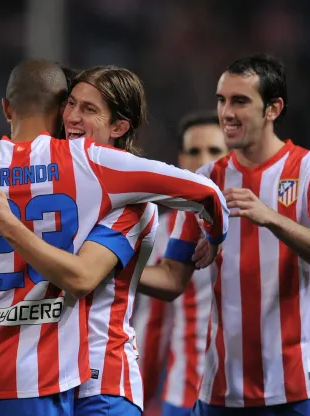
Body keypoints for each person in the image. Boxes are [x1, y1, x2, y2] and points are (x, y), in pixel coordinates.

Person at [0, 59, 229, 416]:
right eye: (70, 105)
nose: (73, 117)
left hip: (97, 377)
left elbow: (81, 277)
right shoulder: (68, 172)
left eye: (88, 109)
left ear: (118, 126)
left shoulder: (127, 201)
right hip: (41, 374)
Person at [160, 54, 310, 415]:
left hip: (302, 388)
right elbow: (171, 279)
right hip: (223, 392)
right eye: (222, 100)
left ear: (273, 109)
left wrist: (271, 218)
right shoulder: (206, 179)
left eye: (240, 101)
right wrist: (114, 264)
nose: (226, 113)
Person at [131, 110, 227, 416]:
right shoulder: (162, 233)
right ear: (180, 160)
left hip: (252, 393)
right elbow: (153, 325)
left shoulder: (258, 223)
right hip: (185, 395)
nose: (203, 161)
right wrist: (138, 401)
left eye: (214, 151)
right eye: (194, 151)